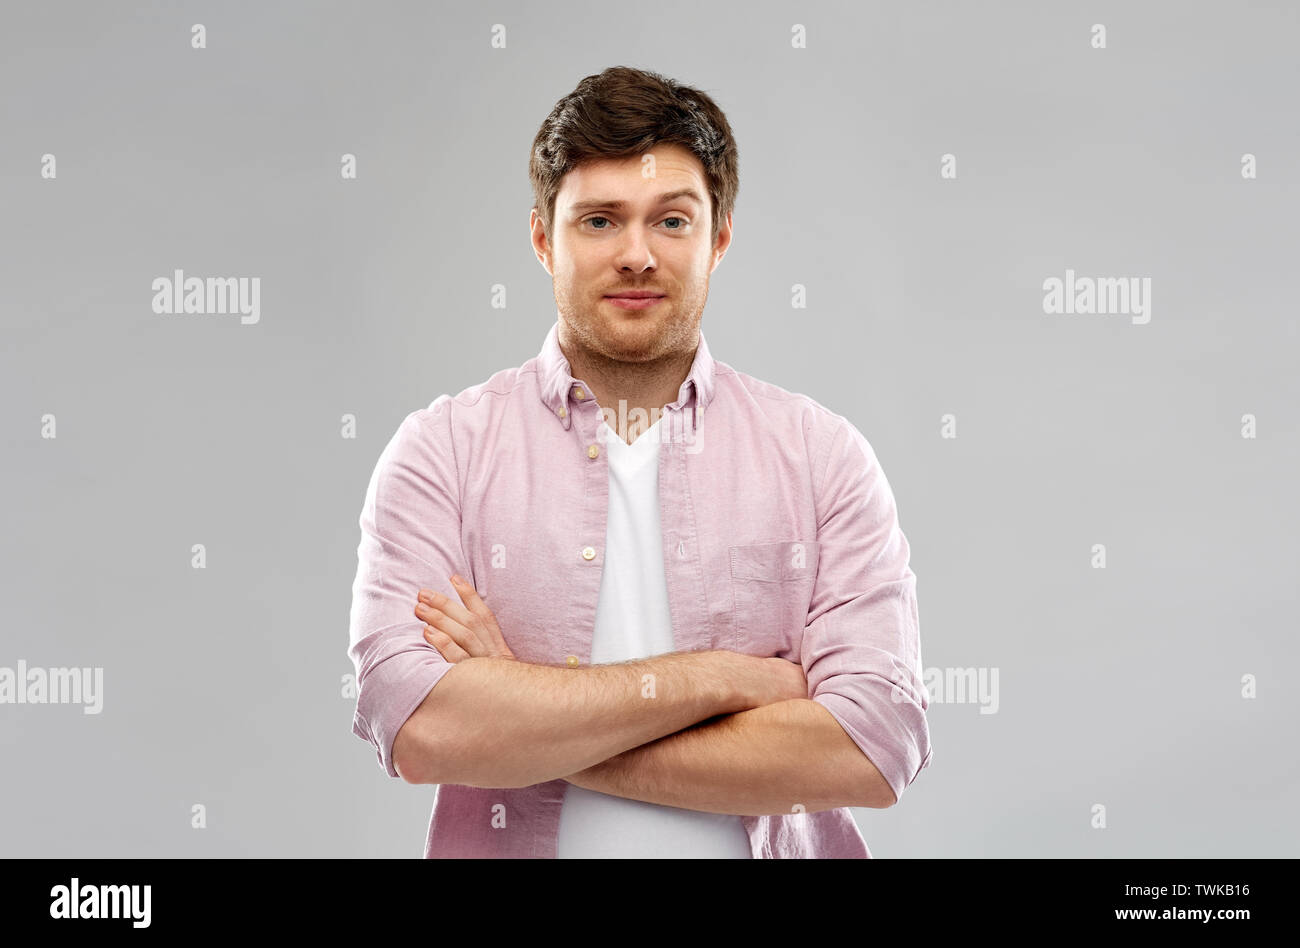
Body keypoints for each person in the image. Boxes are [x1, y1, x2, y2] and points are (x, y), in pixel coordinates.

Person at [346, 65, 931, 858]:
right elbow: (418, 726)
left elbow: (873, 745)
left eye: (672, 221)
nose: (635, 255)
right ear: (542, 238)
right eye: (598, 221)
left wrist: (525, 716)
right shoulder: (441, 453)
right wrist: (724, 679)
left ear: (718, 238)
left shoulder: (822, 457)